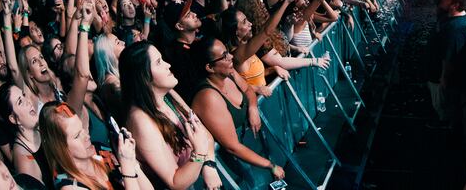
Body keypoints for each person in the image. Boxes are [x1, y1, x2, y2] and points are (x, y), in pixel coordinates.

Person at [120, 42, 222, 190]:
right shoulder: (141, 121)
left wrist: (209, 165)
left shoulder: (169, 95)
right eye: (158, 62)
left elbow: (206, 136)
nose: (167, 65)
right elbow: (175, 182)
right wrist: (200, 153)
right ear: (144, 76)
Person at [190, 37, 285, 188]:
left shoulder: (229, 73)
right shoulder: (208, 97)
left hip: (249, 150)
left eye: (228, 52)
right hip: (234, 165)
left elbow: (247, 89)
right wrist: (271, 165)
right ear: (209, 67)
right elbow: (232, 147)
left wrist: (253, 107)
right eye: (224, 56)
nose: (231, 57)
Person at [38, 101, 154, 190]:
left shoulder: (101, 152)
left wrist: (132, 162)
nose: (86, 136)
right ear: (60, 147)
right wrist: (127, 167)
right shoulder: (70, 187)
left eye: (82, 128)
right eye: (77, 136)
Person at [427, 0, 466, 128]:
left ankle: (444, 125)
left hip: (438, 75)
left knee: (440, 104)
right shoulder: (454, 19)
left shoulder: (456, 29)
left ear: (455, 5)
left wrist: (443, 78)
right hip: (436, 68)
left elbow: (449, 58)